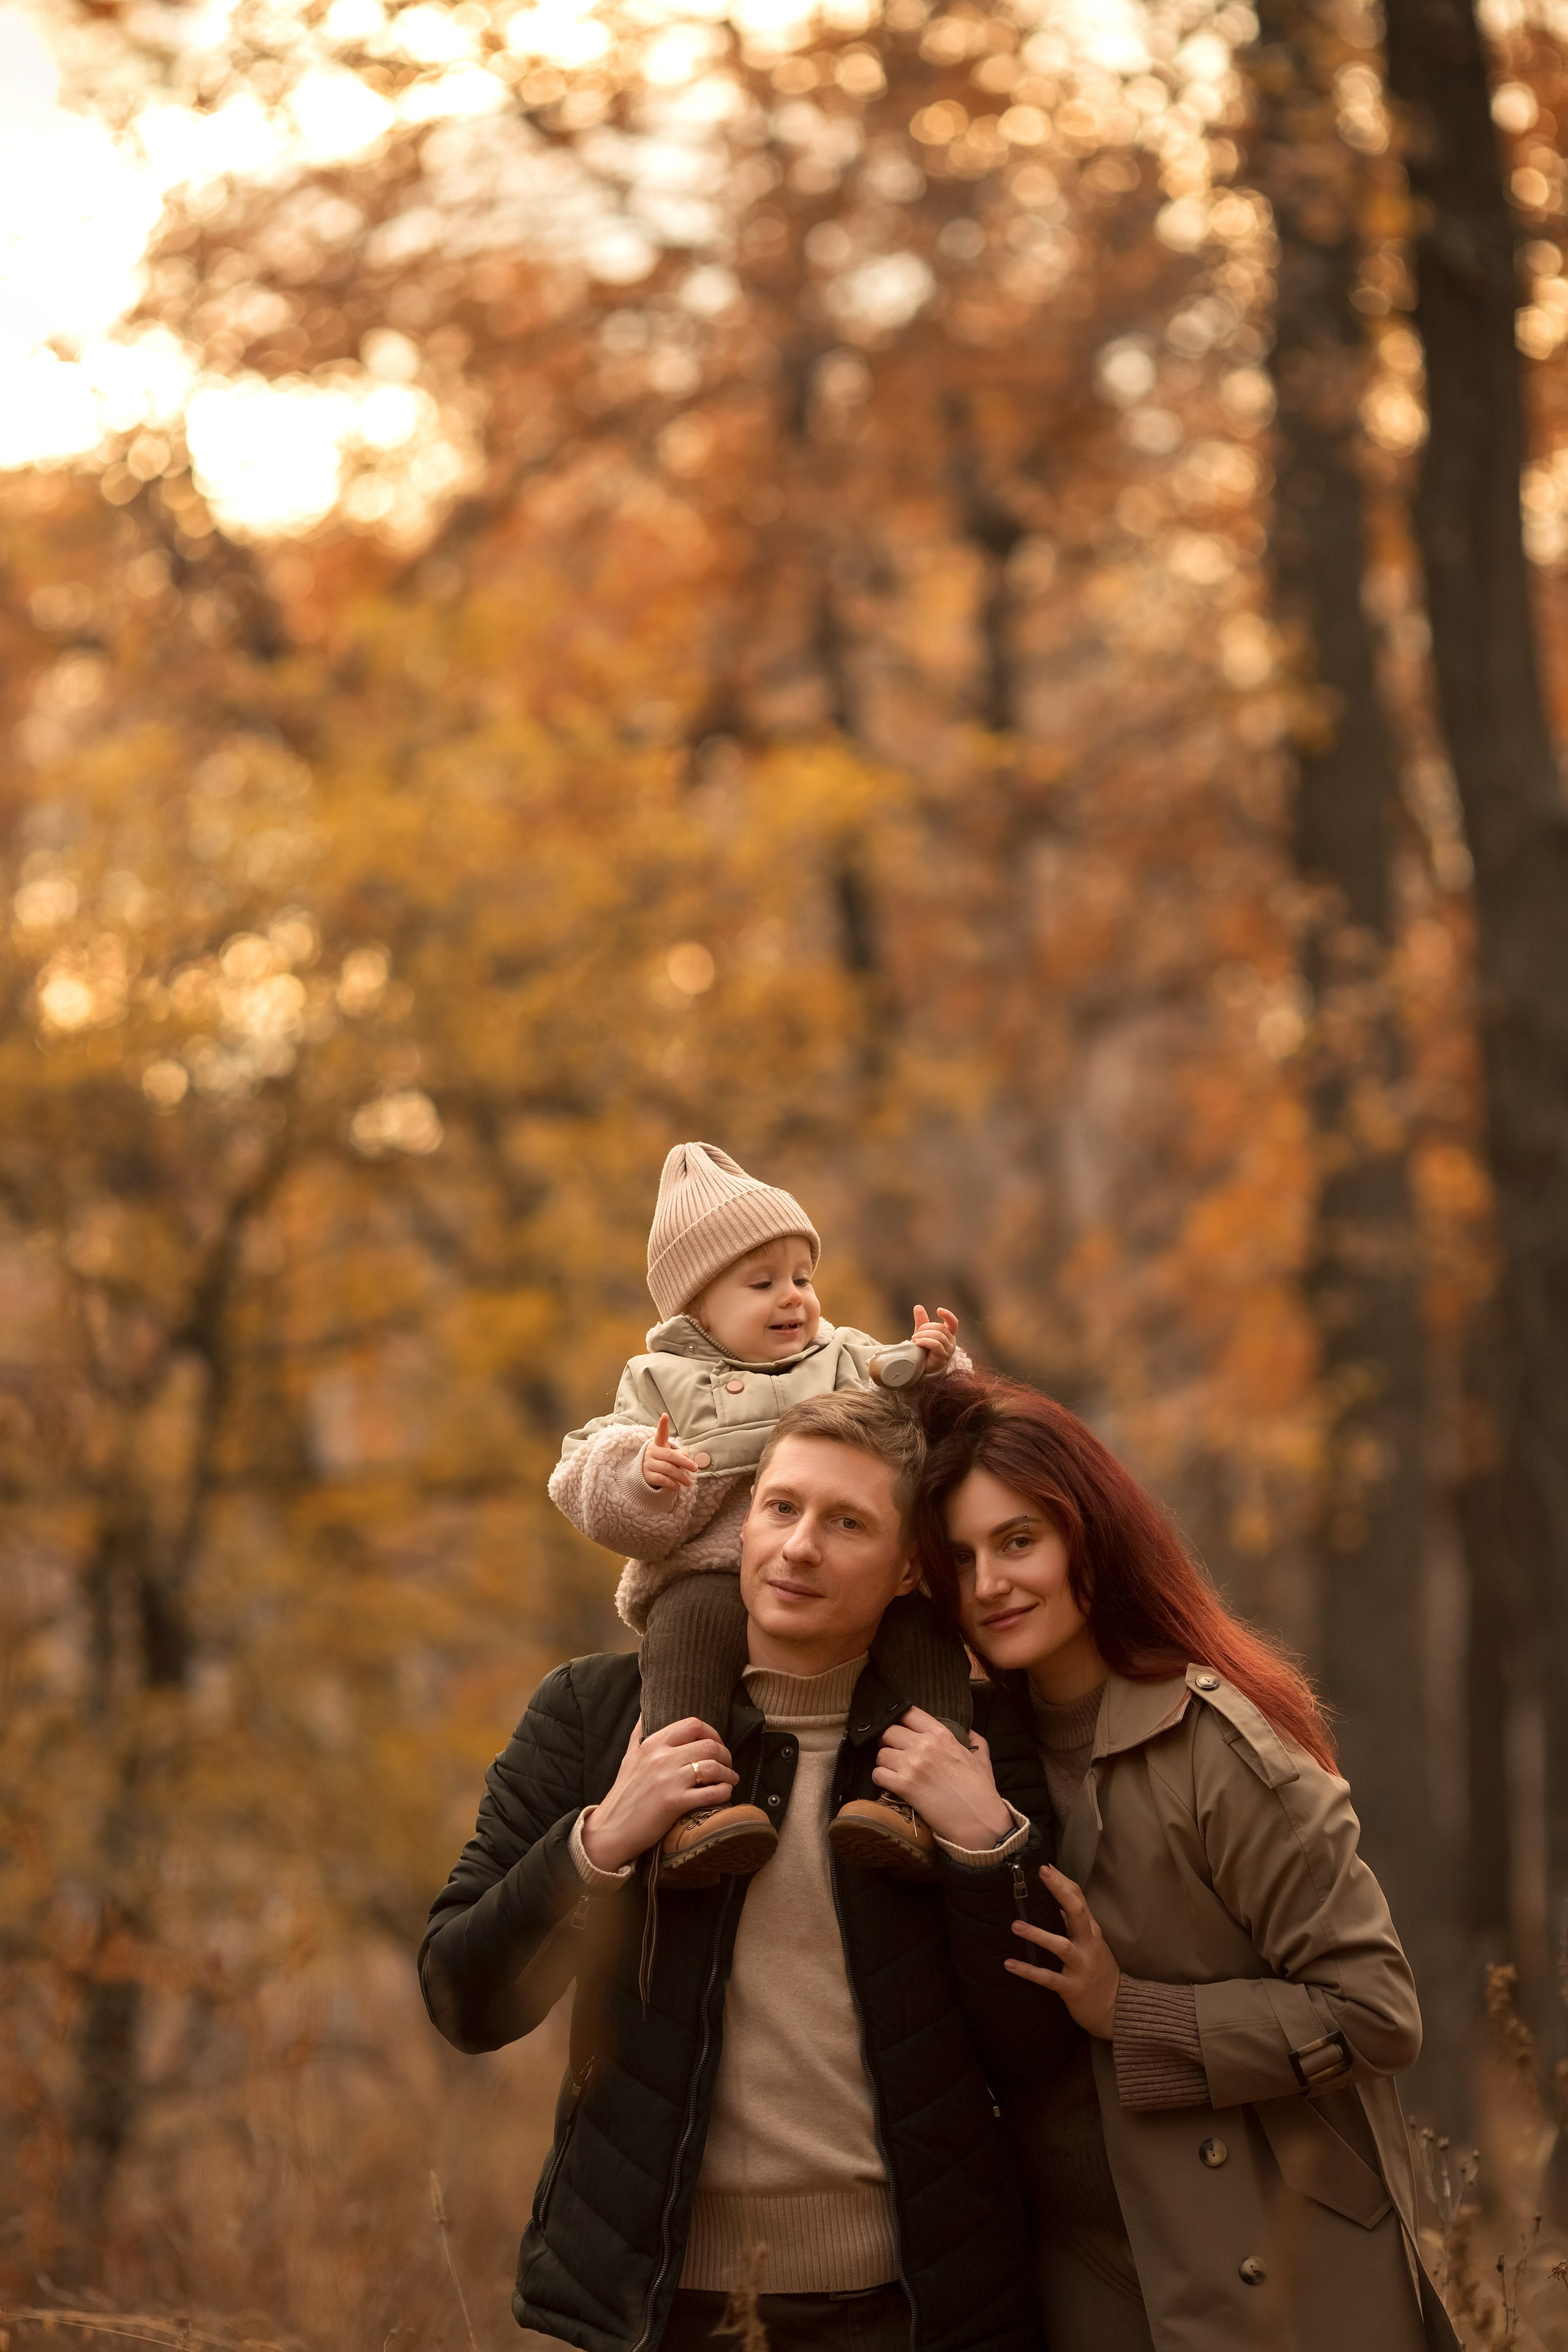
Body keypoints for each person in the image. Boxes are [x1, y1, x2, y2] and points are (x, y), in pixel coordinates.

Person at [420, 1390, 1053, 2352]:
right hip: (655, 2309)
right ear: (741, 1522)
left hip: (909, 2309)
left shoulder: (977, 1743)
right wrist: (598, 1842)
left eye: (847, 1523)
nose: (799, 1546)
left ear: (909, 1565)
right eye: (782, 1507)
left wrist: (983, 1851)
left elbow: (1040, 2052)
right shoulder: (593, 1718)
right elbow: (466, 2001)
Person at [867, 1373, 1461, 2352]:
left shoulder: (1220, 1750)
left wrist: (1130, 2012)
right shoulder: (969, 1754)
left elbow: (1377, 2013)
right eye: (960, 1560)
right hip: (1079, 2271)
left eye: (1019, 1541)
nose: (990, 1586)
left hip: (1273, 2270)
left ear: (1089, 1535)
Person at [549, 1139, 973, 1883]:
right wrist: (642, 1475)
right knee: (685, 1633)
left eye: (803, 1277)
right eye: (762, 1283)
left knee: (923, 1633)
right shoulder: (659, 1380)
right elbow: (586, 1471)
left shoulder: (839, 1355)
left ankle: (916, 1800)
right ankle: (693, 1811)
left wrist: (933, 1362)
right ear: (698, 1307)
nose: (793, 1298)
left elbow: (917, 1404)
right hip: (711, 1567)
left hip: (849, 1578)